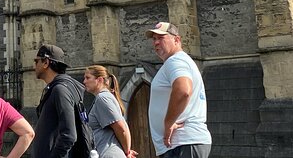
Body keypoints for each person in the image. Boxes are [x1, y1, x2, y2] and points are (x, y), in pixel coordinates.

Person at [146, 22, 211, 157]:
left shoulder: (175, 61)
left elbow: (183, 91)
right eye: (154, 39)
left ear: (177, 39)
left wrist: (168, 124)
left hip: (184, 142)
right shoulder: (175, 61)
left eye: (161, 38)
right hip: (180, 144)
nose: (156, 43)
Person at [31, 44, 85, 158]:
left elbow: (69, 135)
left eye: (36, 61)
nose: (34, 66)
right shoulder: (56, 89)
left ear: (46, 62)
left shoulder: (60, 90)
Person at [83, 65, 137, 158]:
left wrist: (127, 151)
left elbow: (121, 128)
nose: (84, 81)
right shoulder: (103, 98)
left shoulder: (102, 98)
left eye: (88, 78)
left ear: (99, 80)